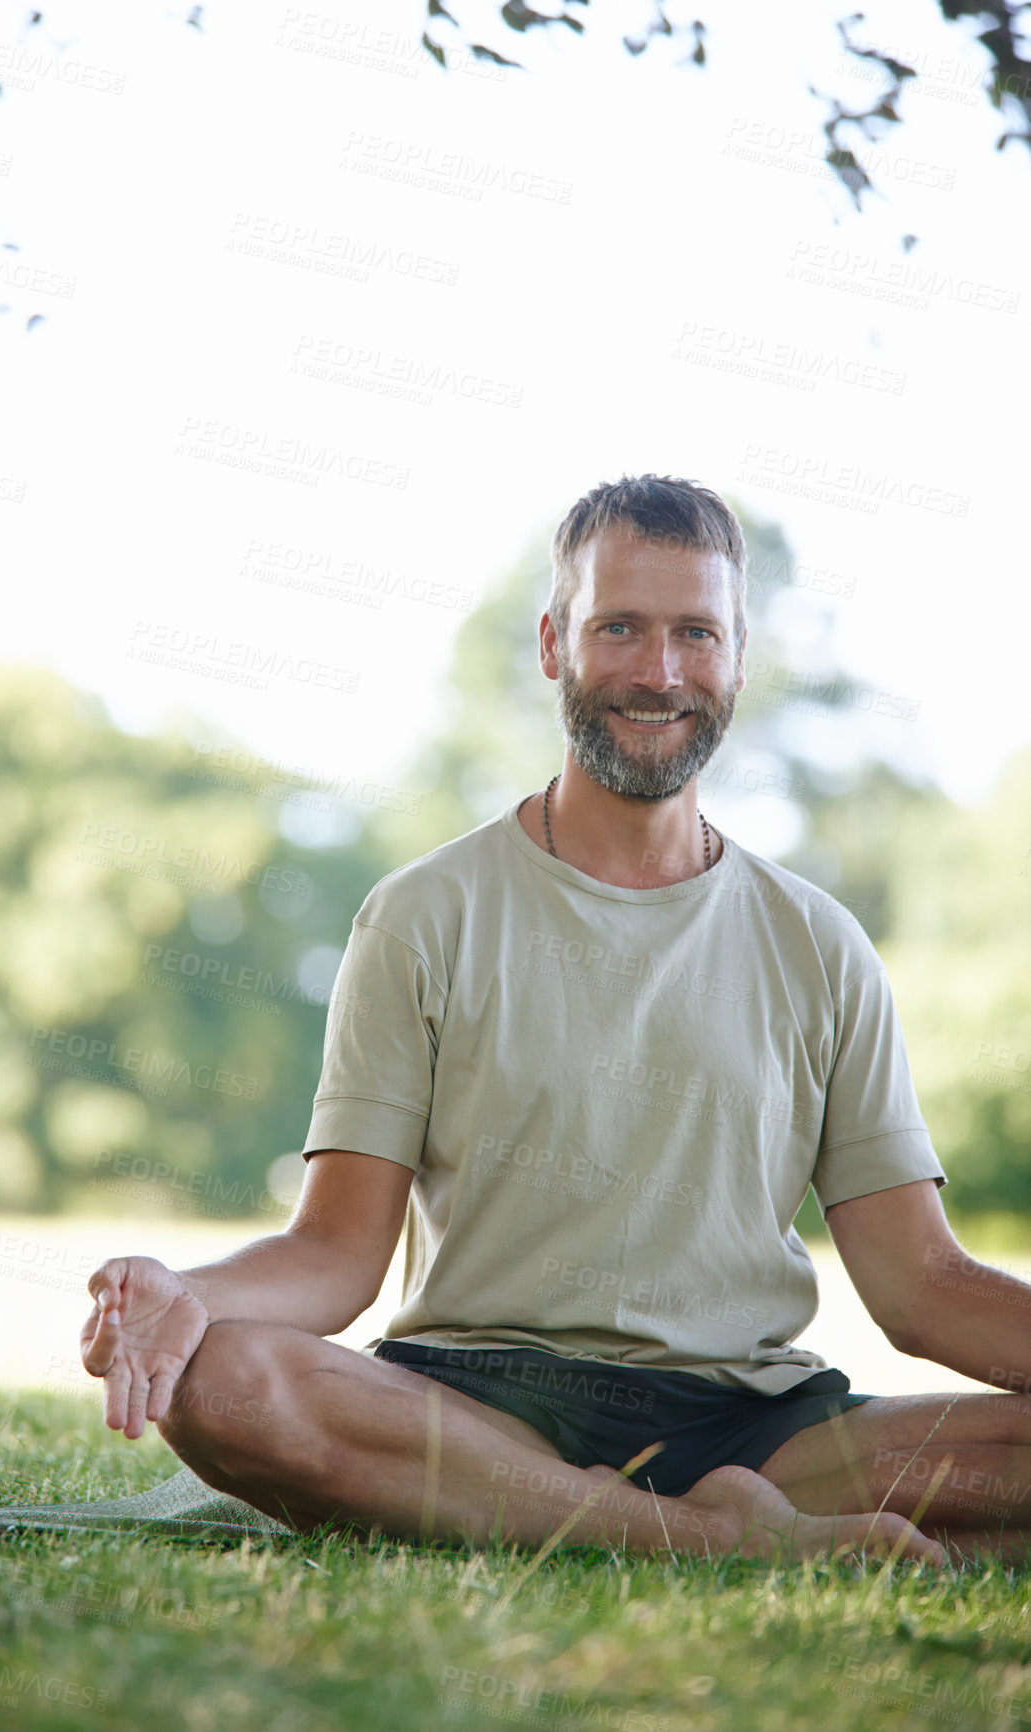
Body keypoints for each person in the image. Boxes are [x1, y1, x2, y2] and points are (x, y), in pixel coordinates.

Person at [81, 474, 1031, 1569]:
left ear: (734, 658)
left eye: (694, 633)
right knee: (231, 1385)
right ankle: (717, 1544)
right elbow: (335, 1253)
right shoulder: (422, 914)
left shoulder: (819, 944)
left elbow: (919, 1287)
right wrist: (183, 1296)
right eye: (616, 627)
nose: (658, 671)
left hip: (758, 1430)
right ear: (550, 643)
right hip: (476, 1416)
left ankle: (681, 1520)